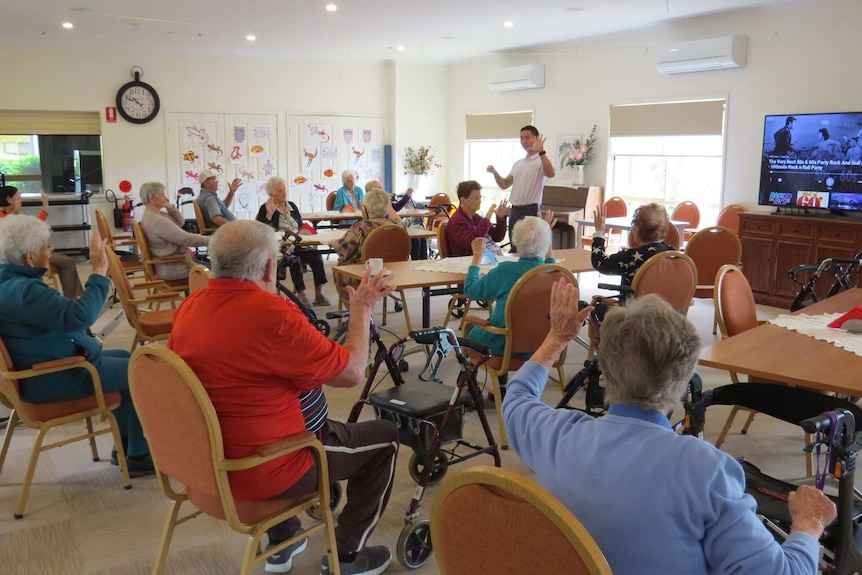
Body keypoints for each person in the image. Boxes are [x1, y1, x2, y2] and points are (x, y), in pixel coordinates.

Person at [503, 288, 836, 575]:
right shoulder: (707, 472)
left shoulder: (556, 436)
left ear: (604, 368)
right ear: (684, 378)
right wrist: (809, 522)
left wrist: (557, 338)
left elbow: (516, 397)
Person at [167, 220, 399, 575]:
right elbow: (351, 373)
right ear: (270, 267)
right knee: (385, 440)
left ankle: (283, 539)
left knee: (257, 408)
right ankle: (348, 555)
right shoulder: (274, 317)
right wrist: (362, 308)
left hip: (204, 466)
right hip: (267, 467)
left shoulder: (190, 306)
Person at [0, 216, 153, 475]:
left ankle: (127, 446)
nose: (50, 254)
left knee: (128, 357)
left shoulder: (8, 283)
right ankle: (138, 455)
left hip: (37, 372)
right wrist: (98, 271)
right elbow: (81, 316)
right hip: (54, 377)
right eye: (46, 248)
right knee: (143, 372)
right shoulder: (27, 292)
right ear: (29, 257)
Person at [463, 215, 556, 399]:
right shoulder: (553, 272)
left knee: (470, 329)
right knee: (512, 325)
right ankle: (502, 385)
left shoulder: (506, 271)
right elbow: (550, 260)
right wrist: (548, 240)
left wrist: (476, 259)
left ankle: (472, 391)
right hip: (543, 344)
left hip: (503, 345)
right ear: (546, 244)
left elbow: (471, 290)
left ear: (516, 241)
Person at [256, 176, 331, 307]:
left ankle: (319, 293)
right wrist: (269, 215)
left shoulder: (293, 207)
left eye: (284, 189)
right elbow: (263, 232)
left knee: (316, 256)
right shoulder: (266, 208)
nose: (284, 193)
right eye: (280, 191)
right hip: (280, 247)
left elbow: (300, 226)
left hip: (298, 243)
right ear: (272, 194)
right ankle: (302, 294)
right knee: (293, 259)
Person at [0, 185, 84, 299]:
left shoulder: (13, 217)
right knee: (66, 262)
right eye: (18, 198)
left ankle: (74, 298)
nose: (21, 201)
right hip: (19, 257)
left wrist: (44, 208)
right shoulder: (5, 218)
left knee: (65, 261)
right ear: (9, 199)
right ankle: (73, 299)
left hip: (26, 254)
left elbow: (31, 228)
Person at [486, 125, 555, 252]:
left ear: (536, 138)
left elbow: (551, 173)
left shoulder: (541, 160)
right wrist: (495, 173)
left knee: (530, 248)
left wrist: (542, 153)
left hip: (530, 210)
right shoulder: (518, 164)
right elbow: (504, 184)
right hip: (514, 211)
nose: (524, 141)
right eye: (521, 138)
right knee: (515, 245)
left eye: (527, 138)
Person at [139, 181, 209, 281]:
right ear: (151, 198)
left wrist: (170, 207)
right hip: (175, 267)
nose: (166, 198)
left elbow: (180, 222)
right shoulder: (158, 221)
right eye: (162, 195)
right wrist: (213, 240)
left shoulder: (153, 215)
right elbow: (185, 239)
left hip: (168, 265)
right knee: (216, 272)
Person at [590, 202, 673, 286]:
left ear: (636, 230)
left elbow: (600, 263)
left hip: (634, 299)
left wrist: (599, 233)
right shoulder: (671, 254)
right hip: (663, 299)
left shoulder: (630, 256)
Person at [331, 188, 393, 267]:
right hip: (393, 269)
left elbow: (343, 250)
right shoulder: (397, 226)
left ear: (366, 208)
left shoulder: (360, 227)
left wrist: (333, 242)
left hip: (364, 270)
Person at [445, 180, 508, 257]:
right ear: (463, 200)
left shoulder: (476, 218)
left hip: (492, 257)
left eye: (480, 197)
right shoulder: (456, 221)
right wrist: (487, 218)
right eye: (476, 198)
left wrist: (500, 218)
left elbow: (497, 237)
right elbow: (471, 243)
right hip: (470, 262)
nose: (480, 201)